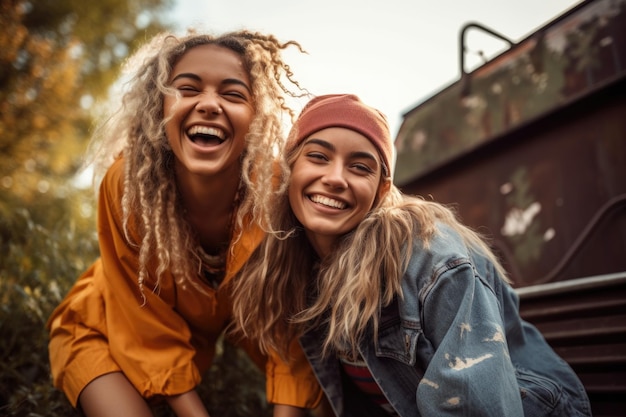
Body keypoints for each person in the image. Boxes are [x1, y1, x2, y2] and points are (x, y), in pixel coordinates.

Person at [230, 94, 592, 416]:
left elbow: (476, 407)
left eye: (360, 166)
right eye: (318, 157)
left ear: (381, 189)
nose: (335, 178)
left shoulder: (431, 260)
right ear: (290, 171)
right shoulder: (300, 271)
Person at [46, 31, 323, 417]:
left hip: (199, 340)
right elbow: (143, 320)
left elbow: (285, 324)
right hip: (103, 326)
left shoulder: (276, 193)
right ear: (159, 106)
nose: (209, 104)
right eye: (187, 88)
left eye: (233, 94)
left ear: (256, 118)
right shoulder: (129, 185)